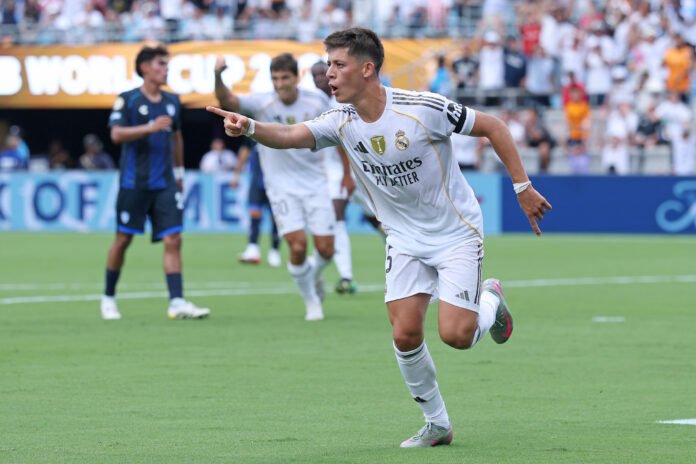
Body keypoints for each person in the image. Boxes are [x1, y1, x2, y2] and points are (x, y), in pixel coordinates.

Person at [208, 27, 551, 448]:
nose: (328, 74)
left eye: (338, 65)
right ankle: (437, 424)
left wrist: (522, 187)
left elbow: (494, 126)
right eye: (328, 65)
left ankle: (491, 299)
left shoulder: (422, 108)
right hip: (404, 237)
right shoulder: (340, 120)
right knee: (405, 334)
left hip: (454, 232)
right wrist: (249, 128)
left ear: (367, 69)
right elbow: (290, 136)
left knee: (456, 336)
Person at [214, 53, 345, 321]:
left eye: (285, 78)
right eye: (275, 78)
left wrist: (347, 173)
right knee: (297, 247)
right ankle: (312, 302)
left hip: (316, 184)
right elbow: (229, 101)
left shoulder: (317, 101)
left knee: (326, 250)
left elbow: (338, 133)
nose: (280, 84)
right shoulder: (262, 102)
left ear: (296, 77)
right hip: (281, 187)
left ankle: (313, 275)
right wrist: (218, 76)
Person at [101, 44, 210, 321]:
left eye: (166, 64)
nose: (165, 69)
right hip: (133, 183)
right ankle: (108, 298)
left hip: (165, 184)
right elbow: (116, 135)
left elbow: (176, 138)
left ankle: (177, 301)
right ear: (144, 68)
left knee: (173, 239)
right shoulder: (127, 100)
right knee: (123, 239)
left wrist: (180, 173)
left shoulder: (172, 102)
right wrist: (148, 128)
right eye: (160, 64)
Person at [311, 60, 358, 294]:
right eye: (315, 75)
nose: (320, 78)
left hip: (348, 171)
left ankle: (345, 275)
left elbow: (340, 141)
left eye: (323, 73)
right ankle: (346, 276)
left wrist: (348, 175)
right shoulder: (316, 103)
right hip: (334, 172)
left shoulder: (337, 102)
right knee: (336, 216)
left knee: (339, 217)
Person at [230, 142, 282, 267]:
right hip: (257, 182)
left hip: (276, 183)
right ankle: (253, 248)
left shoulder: (279, 130)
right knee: (254, 213)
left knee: (276, 217)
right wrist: (236, 175)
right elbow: (244, 153)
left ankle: (274, 251)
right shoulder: (253, 132)